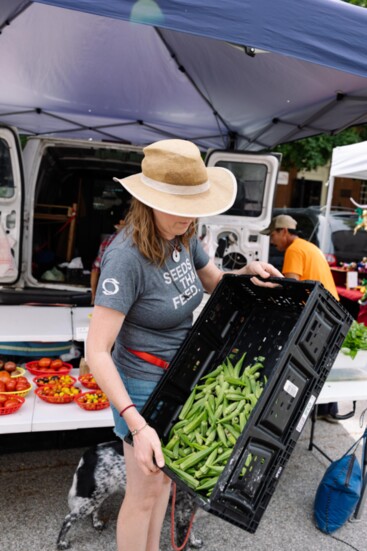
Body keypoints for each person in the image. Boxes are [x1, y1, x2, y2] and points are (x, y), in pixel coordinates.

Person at [86, 138, 283, 551]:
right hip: (140, 386)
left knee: (161, 485)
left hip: (180, 376)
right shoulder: (126, 257)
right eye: (181, 205)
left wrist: (247, 272)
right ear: (150, 200)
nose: (192, 215)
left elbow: (212, 281)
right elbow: (96, 351)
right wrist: (136, 425)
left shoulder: (182, 233)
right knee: (141, 496)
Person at [261, 213, 340, 422]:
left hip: (318, 312)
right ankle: (328, 409)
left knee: (304, 360)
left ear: (284, 231)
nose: (271, 240)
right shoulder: (309, 246)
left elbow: (292, 287)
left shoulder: (294, 249)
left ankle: (296, 408)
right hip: (331, 310)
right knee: (320, 360)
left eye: (273, 235)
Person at [90, 219, 125, 305]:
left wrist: (94, 296)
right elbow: (96, 269)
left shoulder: (108, 240)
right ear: (121, 222)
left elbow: (95, 269)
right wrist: (94, 295)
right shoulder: (110, 241)